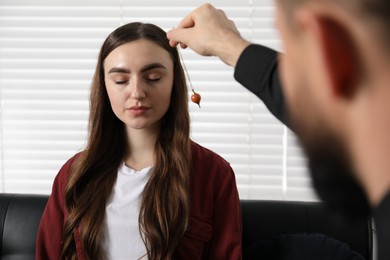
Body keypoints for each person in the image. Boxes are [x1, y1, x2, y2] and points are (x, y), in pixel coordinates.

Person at [167, 2, 390, 260]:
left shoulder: (212, 171)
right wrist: (232, 47)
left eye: (290, 55)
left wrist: (231, 45)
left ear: (329, 49)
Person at [36, 22, 242, 260]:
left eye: (153, 77)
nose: (137, 92)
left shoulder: (214, 173)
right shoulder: (74, 173)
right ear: (104, 87)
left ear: (174, 81)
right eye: (121, 81)